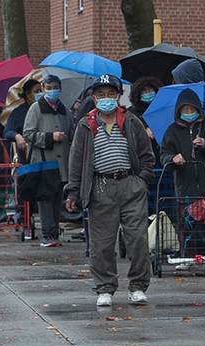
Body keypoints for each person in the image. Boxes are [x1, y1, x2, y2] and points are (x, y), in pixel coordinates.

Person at [65, 74, 155, 307]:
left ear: (118, 96)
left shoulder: (132, 122)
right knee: (102, 243)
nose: (107, 98)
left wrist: (141, 181)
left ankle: (137, 286)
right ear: (94, 99)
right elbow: (75, 162)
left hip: (130, 186)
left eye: (111, 94)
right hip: (100, 188)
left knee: (137, 239)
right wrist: (73, 192)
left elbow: (147, 156)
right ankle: (105, 288)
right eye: (101, 95)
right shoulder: (85, 125)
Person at [160, 88, 205, 264]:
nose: (188, 113)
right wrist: (173, 159)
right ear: (179, 111)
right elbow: (164, 154)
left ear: (198, 109)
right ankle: (187, 259)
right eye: (185, 110)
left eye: (192, 109)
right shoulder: (172, 131)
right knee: (187, 228)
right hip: (185, 190)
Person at [23, 74, 72, 247]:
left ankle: (54, 233)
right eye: (48, 88)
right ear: (43, 89)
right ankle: (47, 235)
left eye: (55, 87)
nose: (52, 91)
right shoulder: (36, 108)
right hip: (44, 161)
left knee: (58, 198)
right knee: (45, 198)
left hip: (62, 163)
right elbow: (28, 134)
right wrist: (51, 137)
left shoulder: (64, 109)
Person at [4, 79, 43, 164]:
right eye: (36, 91)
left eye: (41, 90)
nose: (40, 94)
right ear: (27, 94)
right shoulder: (18, 112)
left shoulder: (44, 109)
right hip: (25, 156)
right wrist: (17, 136)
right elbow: (7, 131)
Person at [127, 75, 164, 167]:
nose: (148, 92)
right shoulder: (131, 112)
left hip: (162, 156)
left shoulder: (162, 109)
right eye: (144, 89)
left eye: (150, 88)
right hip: (142, 158)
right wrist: (144, 129)